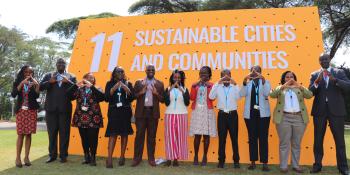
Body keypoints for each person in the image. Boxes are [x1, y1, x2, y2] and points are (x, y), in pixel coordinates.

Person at [309, 53, 350, 175]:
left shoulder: (339, 72)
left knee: (340, 141)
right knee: (318, 140)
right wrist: (317, 81)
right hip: (319, 111)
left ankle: (343, 168)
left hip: (336, 111)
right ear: (319, 61)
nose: (324, 61)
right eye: (321, 60)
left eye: (326, 59)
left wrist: (335, 80)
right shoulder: (314, 74)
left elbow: (348, 87)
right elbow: (310, 92)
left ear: (329, 60)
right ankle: (317, 166)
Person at [270, 71, 313, 173]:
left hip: (299, 118)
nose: (289, 78)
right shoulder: (280, 88)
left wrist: (298, 85)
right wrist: (284, 85)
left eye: (291, 77)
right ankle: (283, 166)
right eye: (287, 77)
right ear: (283, 79)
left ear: (295, 78)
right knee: (284, 143)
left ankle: (295, 165)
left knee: (296, 143)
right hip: (283, 118)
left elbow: (309, 95)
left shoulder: (299, 88)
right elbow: (272, 95)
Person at [40, 58, 77, 163]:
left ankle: (63, 156)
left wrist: (68, 82)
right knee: (52, 133)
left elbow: (76, 90)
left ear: (66, 65)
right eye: (59, 63)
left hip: (65, 109)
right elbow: (40, 87)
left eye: (63, 63)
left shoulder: (71, 76)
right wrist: (49, 82)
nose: (61, 64)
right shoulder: (49, 75)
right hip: (51, 109)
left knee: (64, 133)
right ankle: (52, 155)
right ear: (56, 65)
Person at [67, 73, 104, 166]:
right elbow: (68, 95)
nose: (90, 79)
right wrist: (75, 85)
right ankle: (86, 157)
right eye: (88, 78)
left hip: (94, 118)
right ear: (84, 79)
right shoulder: (79, 89)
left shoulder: (97, 88)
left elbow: (102, 98)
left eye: (92, 78)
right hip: (81, 117)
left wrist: (92, 87)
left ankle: (93, 158)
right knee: (84, 138)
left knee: (93, 138)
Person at [239, 65, 271, 171]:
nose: (255, 72)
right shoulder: (247, 84)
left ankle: (264, 163)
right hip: (250, 114)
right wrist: (244, 81)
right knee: (252, 138)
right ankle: (252, 162)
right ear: (250, 73)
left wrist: (263, 80)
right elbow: (241, 94)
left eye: (257, 71)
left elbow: (267, 93)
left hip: (263, 115)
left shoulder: (266, 82)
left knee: (263, 138)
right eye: (253, 71)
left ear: (261, 72)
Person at [132, 64, 165, 167]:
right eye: (149, 69)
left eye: (152, 70)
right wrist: (141, 92)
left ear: (155, 71)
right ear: (145, 71)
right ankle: (137, 159)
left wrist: (156, 93)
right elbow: (133, 96)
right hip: (141, 113)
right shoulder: (139, 82)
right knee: (139, 136)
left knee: (152, 137)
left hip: (153, 113)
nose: (151, 71)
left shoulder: (159, 84)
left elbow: (163, 99)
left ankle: (151, 159)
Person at [209, 69, 240, 168]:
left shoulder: (234, 86)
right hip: (222, 115)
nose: (226, 77)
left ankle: (236, 161)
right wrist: (217, 83)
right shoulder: (218, 86)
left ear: (231, 76)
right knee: (222, 139)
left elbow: (238, 96)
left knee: (234, 139)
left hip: (233, 115)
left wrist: (235, 84)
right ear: (221, 77)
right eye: (223, 75)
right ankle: (221, 161)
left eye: (228, 75)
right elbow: (211, 96)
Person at [105, 67, 134, 168]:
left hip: (125, 112)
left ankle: (122, 156)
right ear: (114, 73)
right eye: (119, 71)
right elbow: (106, 98)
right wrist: (114, 88)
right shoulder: (109, 84)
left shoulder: (128, 83)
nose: (121, 73)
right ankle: (109, 158)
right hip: (113, 112)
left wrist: (127, 89)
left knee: (124, 134)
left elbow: (132, 98)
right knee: (113, 134)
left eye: (122, 71)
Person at [11, 65, 40, 168]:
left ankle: (26, 157)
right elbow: (13, 94)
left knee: (29, 134)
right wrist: (22, 84)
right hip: (21, 111)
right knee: (21, 134)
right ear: (23, 73)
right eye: (26, 72)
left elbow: (37, 96)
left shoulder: (33, 83)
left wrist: (37, 86)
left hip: (31, 111)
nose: (28, 74)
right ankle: (18, 158)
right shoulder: (17, 82)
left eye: (30, 72)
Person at [189, 66, 216, 166]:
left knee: (206, 135)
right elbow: (191, 98)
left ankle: (205, 156)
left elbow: (212, 98)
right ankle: (195, 156)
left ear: (209, 75)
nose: (203, 75)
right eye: (201, 73)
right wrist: (193, 86)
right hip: (197, 111)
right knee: (197, 135)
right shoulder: (195, 85)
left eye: (205, 73)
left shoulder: (212, 85)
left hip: (207, 111)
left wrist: (208, 85)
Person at [163, 69, 190, 167]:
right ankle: (169, 158)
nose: (177, 79)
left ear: (181, 79)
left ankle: (176, 159)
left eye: (179, 78)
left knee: (180, 137)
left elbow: (187, 102)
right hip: (169, 114)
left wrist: (181, 90)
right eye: (175, 77)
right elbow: (166, 102)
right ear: (172, 78)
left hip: (182, 114)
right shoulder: (168, 88)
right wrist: (171, 89)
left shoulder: (185, 89)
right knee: (170, 137)